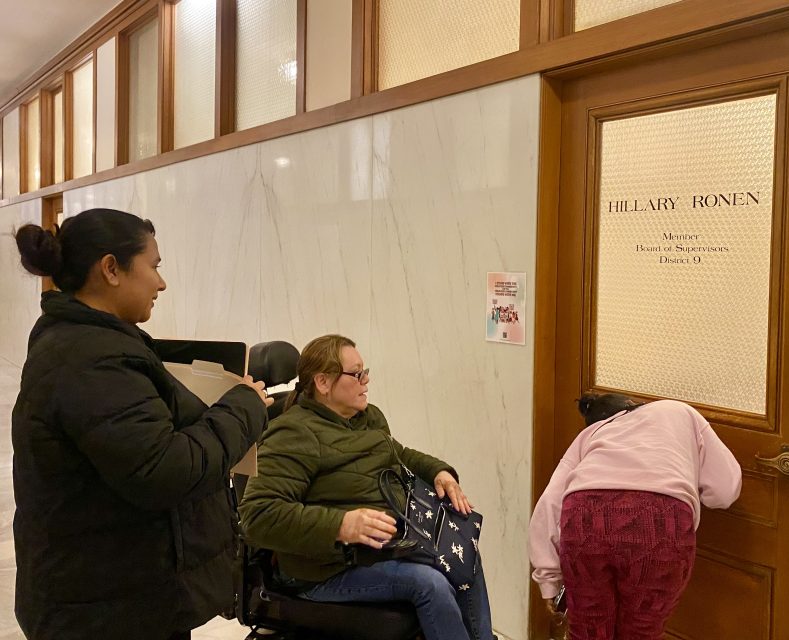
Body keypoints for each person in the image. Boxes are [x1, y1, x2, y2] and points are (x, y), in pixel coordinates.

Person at [11, 208, 272, 640]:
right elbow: (165, 469)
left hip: (122, 596)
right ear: (111, 269)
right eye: (154, 266)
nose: (161, 283)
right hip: (102, 612)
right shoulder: (91, 360)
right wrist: (244, 406)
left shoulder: (91, 344)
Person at [239, 334, 493, 640]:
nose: (366, 380)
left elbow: (399, 454)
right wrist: (341, 525)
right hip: (322, 569)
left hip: (383, 548)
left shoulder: (366, 418)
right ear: (322, 382)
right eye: (357, 374)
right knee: (430, 583)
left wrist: (439, 472)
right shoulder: (294, 433)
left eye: (365, 371)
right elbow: (258, 515)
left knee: (465, 553)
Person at [528, 393, 742, 640]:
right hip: (660, 521)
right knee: (641, 632)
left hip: (586, 515)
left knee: (588, 631)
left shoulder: (591, 434)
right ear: (629, 405)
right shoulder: (678, 411)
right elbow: (725, 490)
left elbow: (549, 504)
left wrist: (549, 580)